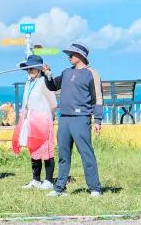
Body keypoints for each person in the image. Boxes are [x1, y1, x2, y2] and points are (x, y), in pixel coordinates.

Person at [44, 43, 103, 197]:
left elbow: (97, 98)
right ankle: (59, 188)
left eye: (71, 54)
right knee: (63, 155)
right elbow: (53, 86)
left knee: (86, 153)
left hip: (81, 118)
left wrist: (97, 119)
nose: (69, 57)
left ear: (80, 56)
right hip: (64, 118)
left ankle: (95, 188)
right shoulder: (66, 72)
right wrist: (47, 74)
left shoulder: (92, 73)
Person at [12, 55, 57, 190]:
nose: (30, 70)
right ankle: (36, 179)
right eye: (28, 68)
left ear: (39, 69)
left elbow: (53, 103)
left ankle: (48, 180)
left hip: (44, 121)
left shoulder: (44, 82)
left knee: (47, 152)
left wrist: (48, 116)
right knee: (34, 150)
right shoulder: (29, 83)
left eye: (32, 68)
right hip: (31, 121)